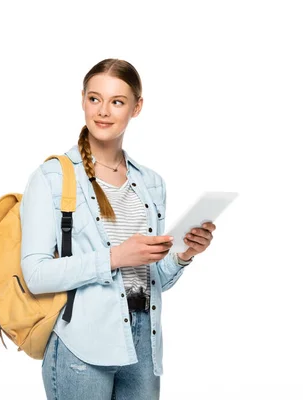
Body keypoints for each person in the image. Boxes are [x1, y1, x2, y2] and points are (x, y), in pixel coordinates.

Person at [19, 58, 216, 400]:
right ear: (83, 100)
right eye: (95, 99)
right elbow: (35, 275)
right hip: (80, 346)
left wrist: (184, 254)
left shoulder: (151, 183)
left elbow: (150, 281)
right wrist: (115, 257)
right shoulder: (52, 178)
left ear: (136, 107)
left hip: (143, 344)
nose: (103, 111)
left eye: (117, 101)